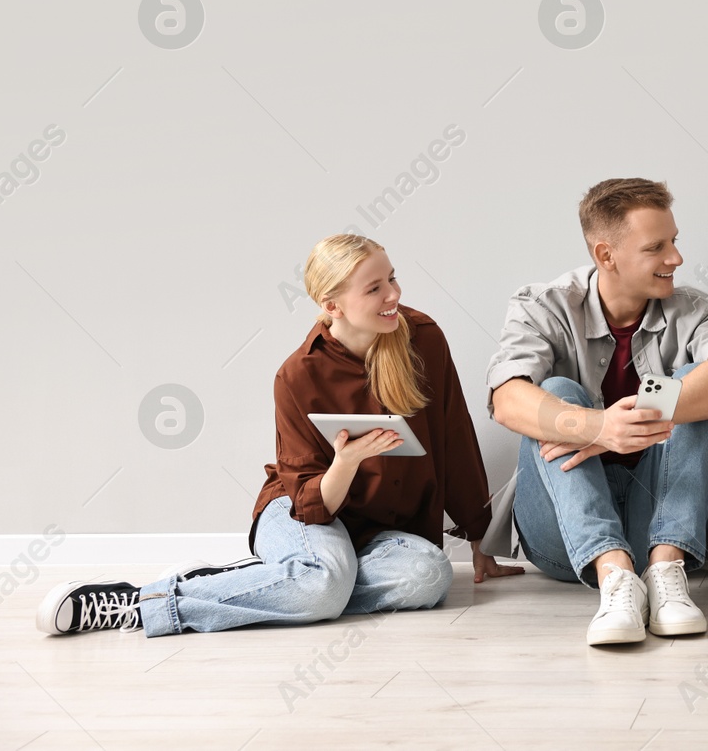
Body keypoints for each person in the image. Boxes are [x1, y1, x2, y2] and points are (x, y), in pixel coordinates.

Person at [38, 234, 517, 637]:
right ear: (332, 306)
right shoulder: (297, 376)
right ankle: (142, 604)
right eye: (375, 288)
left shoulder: (422, 338)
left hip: (384, 532)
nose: (393, 294)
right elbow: (310, 502)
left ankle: (269, 583)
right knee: (324, 581)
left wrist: (480, 537)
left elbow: (454, 434)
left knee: (428, 577)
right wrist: (346, 463)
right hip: (304, 514)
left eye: (392, 277)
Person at [487, 178, 708, 645]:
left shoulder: (693, 309)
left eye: (674, 241)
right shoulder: (541, 305)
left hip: (658, 520)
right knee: (553, 390)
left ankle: (667, 573)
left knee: (698, 378)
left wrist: (648, 414)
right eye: (657, 247)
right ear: (606, 255)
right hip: (564, 539)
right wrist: (598, 427)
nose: (676, 258)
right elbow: (507, 399)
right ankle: (615, 578)